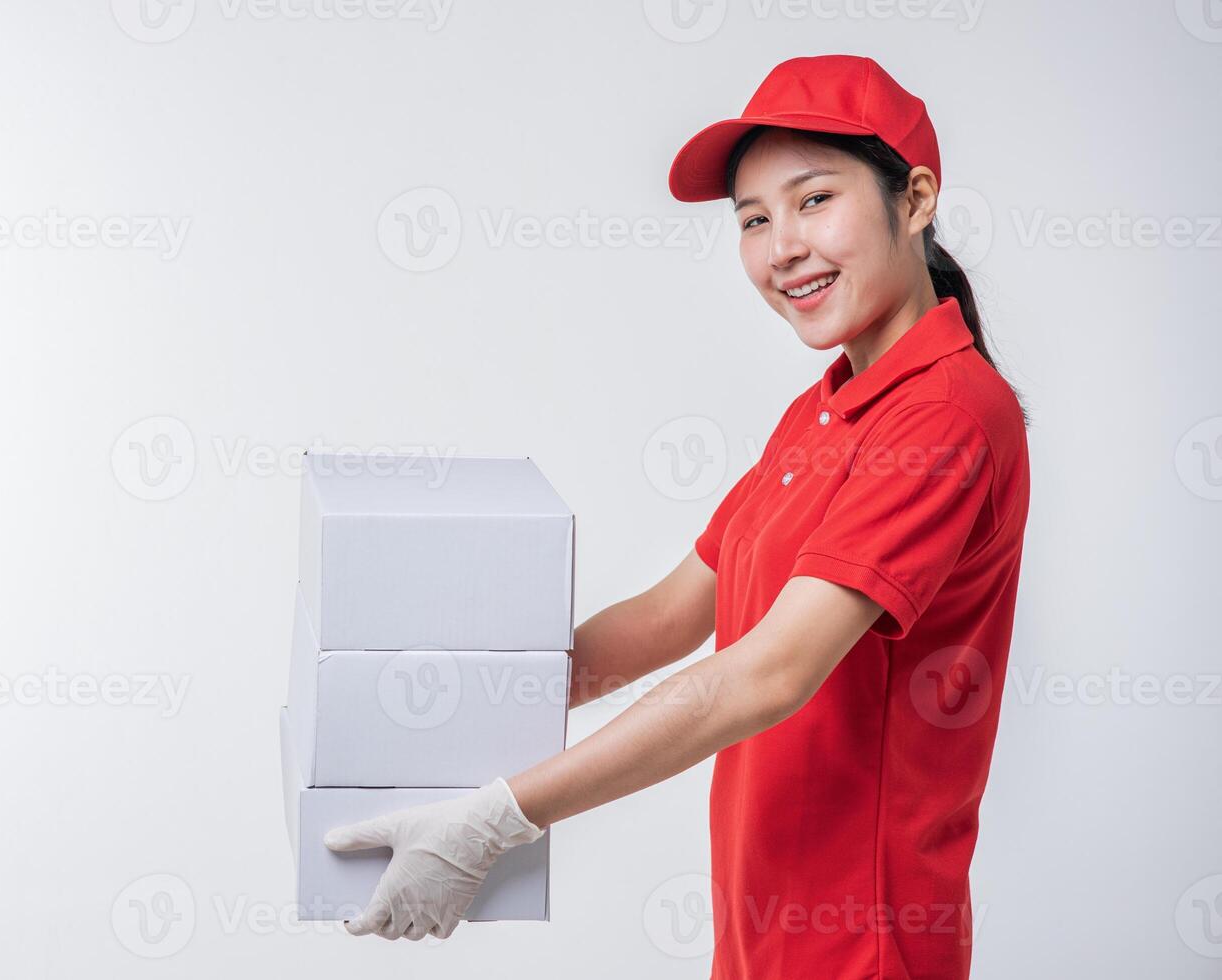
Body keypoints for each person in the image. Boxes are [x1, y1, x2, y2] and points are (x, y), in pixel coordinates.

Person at [324, 53, 1031, 980]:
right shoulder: (828, 407)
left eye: (813, 199)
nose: (780, 247)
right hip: (763, 939)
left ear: (916, 199)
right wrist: (449, 692)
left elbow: (767, 673)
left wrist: (496, 819)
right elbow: (669, 617)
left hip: (861, 949)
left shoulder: (940, 416)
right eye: (752, 219)